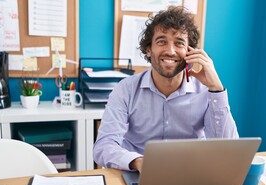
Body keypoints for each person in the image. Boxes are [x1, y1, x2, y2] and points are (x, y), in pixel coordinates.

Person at [93, 6, 238, 172]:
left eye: (179, 43)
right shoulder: (125, 90)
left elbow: (229, 150)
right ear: (149, 49)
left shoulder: (206, 91)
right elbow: (104, 146)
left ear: (189, 51)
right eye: (161, 41)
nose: (170, 51)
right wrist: (138, 162)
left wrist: (216, 89)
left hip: (191, 173)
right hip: (138, 174)